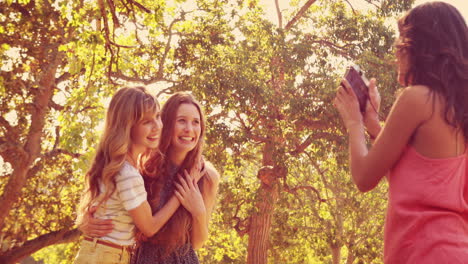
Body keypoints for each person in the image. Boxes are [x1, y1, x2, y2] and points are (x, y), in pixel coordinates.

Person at [334, 2, 468, 263]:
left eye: (400, 44)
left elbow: (364, 178)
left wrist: (353, 122)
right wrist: (373, 125)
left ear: (418, 49)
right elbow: (420, 178)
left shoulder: (416, 99)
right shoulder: (457, 109)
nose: (396, 53)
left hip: (423, 252)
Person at [79, 92, 219, 264]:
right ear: (166, 124)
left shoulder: (206, 176)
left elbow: (197, 242)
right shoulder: (143, 166)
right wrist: (86, 220)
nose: (189, 129)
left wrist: (198, 211)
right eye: (181, 120)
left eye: (196, 122)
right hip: (140, 258)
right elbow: (113, 207)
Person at [74, 86, 183, 264]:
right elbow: (150, 227)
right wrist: (180, 195)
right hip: (107, 257)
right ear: (128, 126)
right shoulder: (127, 174)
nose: (157, 126)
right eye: (146, 122)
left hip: (97, 253)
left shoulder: (115, 165)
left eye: (157, 117)